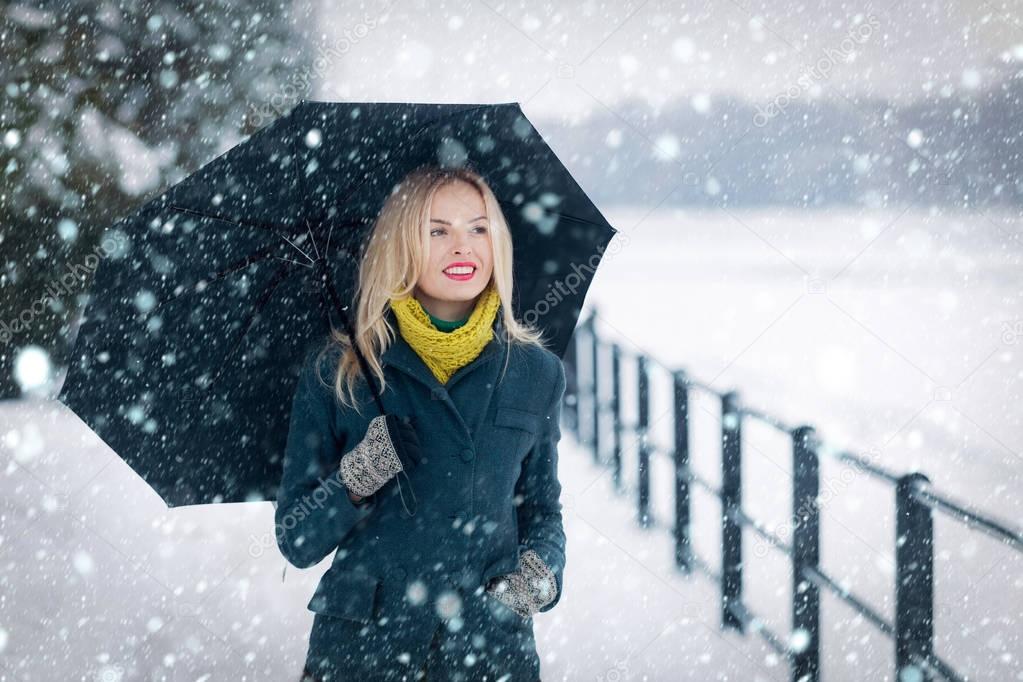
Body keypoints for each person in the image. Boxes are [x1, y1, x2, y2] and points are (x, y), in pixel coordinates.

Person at [274, 164, 568, 681]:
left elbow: (541, 510)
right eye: (438, 231)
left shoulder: (534, 372)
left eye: (478, 228)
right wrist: (360, 474)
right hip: (364, 653)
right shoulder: (340, 369)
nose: (463, 247)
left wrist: (532, 582)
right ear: (401, 245)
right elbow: (297, 539)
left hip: (486, 652)